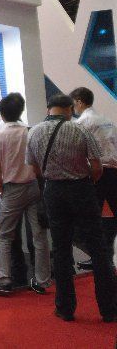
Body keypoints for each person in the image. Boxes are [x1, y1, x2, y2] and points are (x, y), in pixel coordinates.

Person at [26, 94, 116, 322]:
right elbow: (97, 167)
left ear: (49, 109)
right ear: (68, 109)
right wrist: (87, 180)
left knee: (61, 249)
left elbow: (34, 169)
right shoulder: (80, 130)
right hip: (81, 189)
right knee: (98, 248)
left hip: (53, 192)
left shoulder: (33, 132)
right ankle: (109, 308)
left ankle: (65, 308)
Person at [0, 93, 51, 296]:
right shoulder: (30, 132)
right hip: (33, 186)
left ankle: (3, 280)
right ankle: (42, 280)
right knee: (39, 235)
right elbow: (38, 164)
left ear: (2, 114)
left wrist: (3, 191)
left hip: (12, 188)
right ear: (21, 111)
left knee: (3, 234)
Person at [71, 86, 117, 261]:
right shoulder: (107, 120)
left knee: (92, 218)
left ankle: (98, 257)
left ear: (79, 102)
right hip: (114, 171)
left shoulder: (82, 123)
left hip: (96, 173)